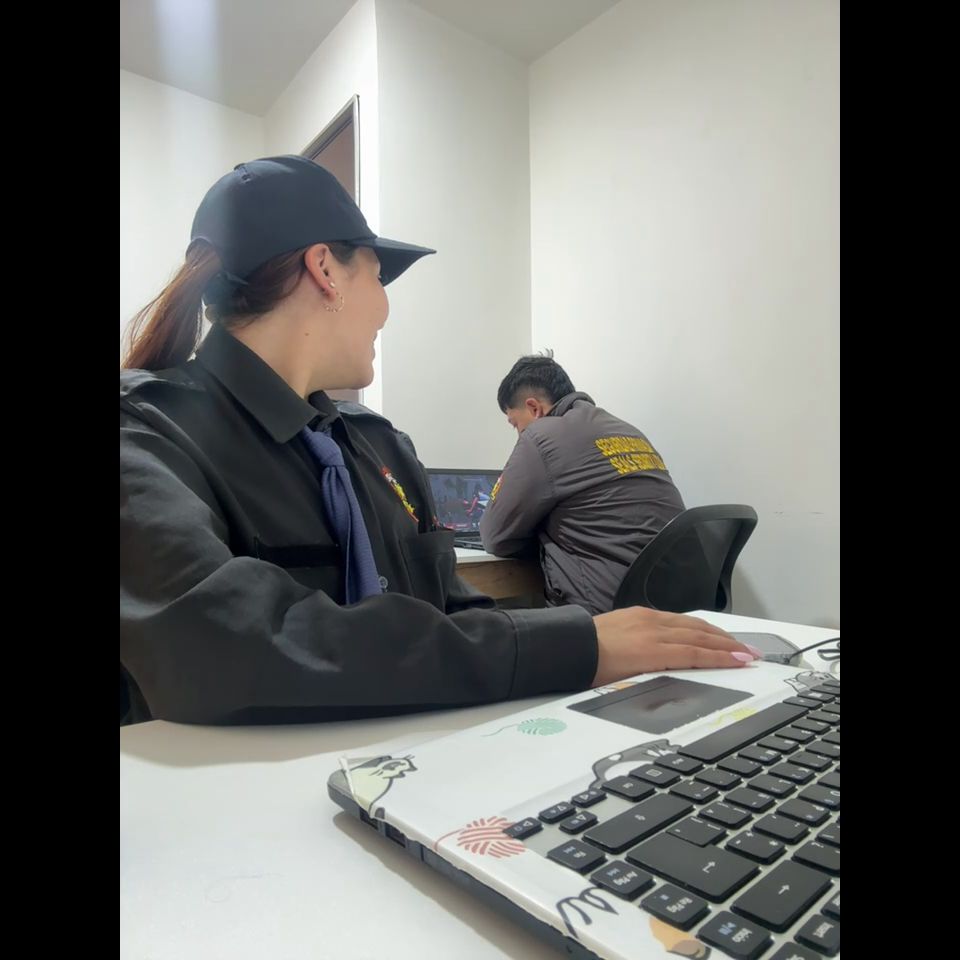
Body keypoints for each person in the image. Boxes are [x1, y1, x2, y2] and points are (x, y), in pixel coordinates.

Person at [120, 155, 759, 725]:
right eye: (379, 278)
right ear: (325, 270)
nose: (384, 308)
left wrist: (601, 640)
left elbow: (451, 612)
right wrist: (575, 645)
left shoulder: (379, 448)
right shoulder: (146, 435)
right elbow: (223, 643)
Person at [480, 354, 685, 614]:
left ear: (534, 408)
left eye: (515, 424)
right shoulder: (628, 430)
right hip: (678, 608)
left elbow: (494, 536)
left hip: (610, 616)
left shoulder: (541, 436)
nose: (518, 434)